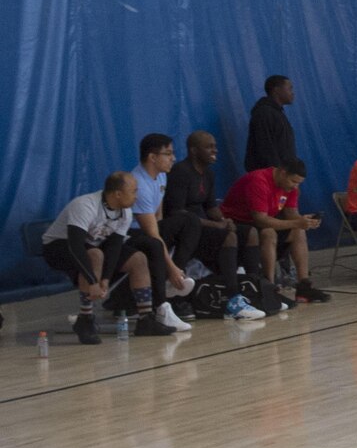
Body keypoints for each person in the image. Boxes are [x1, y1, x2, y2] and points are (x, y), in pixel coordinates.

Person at [42, 174, 179, 342]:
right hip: (58, 246)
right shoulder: (85, 205)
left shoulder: (125, 213)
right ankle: (85, 320)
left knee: (138, 259)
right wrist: (93, 282)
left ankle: (146, 320)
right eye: (133, 191)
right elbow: (76, 246)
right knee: (94, 255)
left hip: (93, 246)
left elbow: (114, 247)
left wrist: (106, 278)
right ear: (118, 194)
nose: (137, 196)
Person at [164, 131, 261, 321]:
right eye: (209, 146)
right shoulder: (181, 172)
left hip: (205, 227)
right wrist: (217, 226)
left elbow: (210, 207)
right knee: (228, 236)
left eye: (215, 146)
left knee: (250, 232)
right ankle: (233, 301)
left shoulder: (208, 173)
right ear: (193, 150)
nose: (215, 150)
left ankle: (254, 290)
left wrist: (225, 220)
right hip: (186, 233)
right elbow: (178, 213)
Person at [221, 159, 329, 307]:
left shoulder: (290, 188)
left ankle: (303, 286)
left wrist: (305, 221)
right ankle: (269, 287)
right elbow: (260, 220)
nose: (295, 186)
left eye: (298, 183)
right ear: (282, 173)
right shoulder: (259, 181)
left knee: (298, 231)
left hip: (260, 223)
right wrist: (297, 222)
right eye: (293, 181)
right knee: (269, 233)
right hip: (236, 224)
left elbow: (291, 213)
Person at [129, 133, 197, 327]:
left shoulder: (161, 176)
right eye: (168, 154)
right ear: (152, 157)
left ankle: (171, 280)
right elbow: (151, 231)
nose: (173, 158)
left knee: (190, 221)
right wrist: (171, 267)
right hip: (131, 234)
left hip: (150, 229)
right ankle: (162, 303)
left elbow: (158, 220)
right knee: (155, 244)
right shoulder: (139, 184)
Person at [245, 74, 297, 171]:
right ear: (276, 90)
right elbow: (265, 148)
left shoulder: (277, 113)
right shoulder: (264, 113)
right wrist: (276, 175)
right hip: (271, 177)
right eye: (289, 89)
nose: (293, 93)